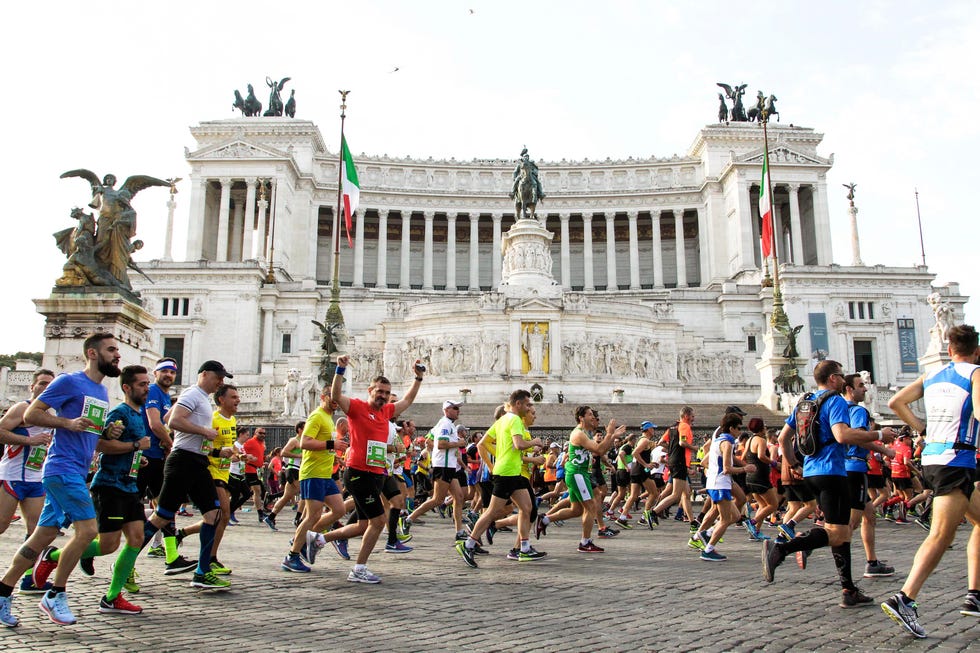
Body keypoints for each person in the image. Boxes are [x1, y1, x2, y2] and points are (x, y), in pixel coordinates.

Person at [0, 333, 121, 627]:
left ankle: (3, 591)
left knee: (42, 536)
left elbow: (88, 433)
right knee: (87, 530)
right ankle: (56, 593)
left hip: (75, 470)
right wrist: (66, 422)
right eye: (111, 349)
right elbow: (32, 412)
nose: (117, 355)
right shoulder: (68, 381)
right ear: (92, 353)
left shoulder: (102, 392)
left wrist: (106, 435)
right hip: (61, 469)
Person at [762, 359, 897, 609]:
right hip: (832, 471)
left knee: (841, 531)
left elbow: (783, 438)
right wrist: (880, 435)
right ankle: (781, 549)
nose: (844, 379)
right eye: (841, 375)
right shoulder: (834, 400)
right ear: (833, 379)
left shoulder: (805, 402)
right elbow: (842, 435)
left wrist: (794, 464)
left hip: (812, 472)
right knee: (837, 532)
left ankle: (848, 589)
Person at [882, 324, 980, 638]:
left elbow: (895, 402)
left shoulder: (934, 375)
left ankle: (975, 595)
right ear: (976, 350)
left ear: (949, 349)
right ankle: (905, 598)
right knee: (940, 535)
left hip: (934, 458)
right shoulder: (976, 373)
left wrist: (921, 428)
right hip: (957, 459)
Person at [317, 354, 423, 583]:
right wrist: (340, 370)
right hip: (358, 472)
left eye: (386, 392)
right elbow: (336, 396)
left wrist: (418, 378)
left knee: (363, 524)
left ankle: (317, 539)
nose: (383, 396)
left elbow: (407, 401)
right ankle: (358, 569)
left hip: (378, 472)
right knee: (377, 522)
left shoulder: (386, 412)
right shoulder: (356, 407)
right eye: (379, 391)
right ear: (370, 390)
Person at [140, 360, 235, 591]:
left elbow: (167, 417)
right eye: (217, 377)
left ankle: (202, 572)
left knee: (214, 514)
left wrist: (215, 449)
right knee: (161, 516)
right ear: (203, 374)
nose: (220, 382)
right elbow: (173, 421)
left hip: (197, 461)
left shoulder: (198, 397)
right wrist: (204, 431)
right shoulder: (194, 394)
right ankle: (127, 557)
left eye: (223, 378)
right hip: (182, 461)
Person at [456, 390, 544, 567]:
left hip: (511, 471)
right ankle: (468, 544)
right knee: (492, 512)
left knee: (527, 508)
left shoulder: (502, 420)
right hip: (506, 473)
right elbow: (519, 444)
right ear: (518, 404)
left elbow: (483, 443)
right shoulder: (516, 420)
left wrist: (497, 458)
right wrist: (534, 442)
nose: (528, 408)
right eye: (527, 404)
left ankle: (524, 548)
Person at [535, 406, 626, 553]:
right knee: (591, 507)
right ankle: (585, 542)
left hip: (579, 474)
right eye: (590, 414)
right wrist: (610, 434)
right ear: (581, 418)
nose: (593, 417)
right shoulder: (579, 434)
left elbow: (599, 448)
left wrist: (612, 436)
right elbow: (599, 450)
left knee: (576, 510)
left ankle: (544, 519)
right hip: (577, 474)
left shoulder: (585, 433)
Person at [0, 369, 55, 595]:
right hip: (11, 476)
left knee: (36, 533)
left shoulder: (52, 414)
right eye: (41, 383)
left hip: (35, 478)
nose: (45, 387)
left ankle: (28, 579)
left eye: (50, 385)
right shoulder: (22, 408)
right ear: (32, 387)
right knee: (1, 525)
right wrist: (29, 440)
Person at [282, 389, 347, 572]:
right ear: (323, 397)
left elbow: (322, 446)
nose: (335, 401)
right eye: (331, 398)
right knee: (312, 516)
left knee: (339, 509)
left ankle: (303, 538)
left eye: (337, 398)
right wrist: (331, 445)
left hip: (325, 474)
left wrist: (333, 455)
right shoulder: (317, 416)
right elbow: (305, 443)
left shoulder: (328, 418)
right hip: (312, 473)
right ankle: (292, 555)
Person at [841, 374, 896, 579]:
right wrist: (884, 449)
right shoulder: (857, 411)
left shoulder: (839, 410)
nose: (865, 389)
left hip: (845, 467)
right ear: (849, 389)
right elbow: (859, 438)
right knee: (851, 523)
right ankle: (805, 543)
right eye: (860, 385)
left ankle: (872, 562)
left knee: (869, 514)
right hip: (855, 466)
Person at [402, 400, 467, 538]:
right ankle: (409, 519)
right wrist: (459, 443)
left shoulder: (446, 424)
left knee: (459, 497)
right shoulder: (445, 424)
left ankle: (459, 531)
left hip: (449, 466)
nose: (458, 411)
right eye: (455, 408)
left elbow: (428, 439)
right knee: (437, 499)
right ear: (447, 410)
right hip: (443, 466)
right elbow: (441, 444)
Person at [698, 413, 756, 561]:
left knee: (736, 516)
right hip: (720, 484)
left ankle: (709, 532)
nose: (739, 431)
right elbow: (727, 468)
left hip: (715, 482)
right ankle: (708, 549)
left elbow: (706, 462)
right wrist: (745, 469)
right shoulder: (727, 443)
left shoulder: (718, 441)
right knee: (725, 519)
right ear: (731, 428)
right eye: (738, 428)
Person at [140, 359, 176, 559]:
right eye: (165, 371)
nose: (168, 375)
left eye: (172, 372)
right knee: (130, 509)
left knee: (165, 506)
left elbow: (165, 426)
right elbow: (155, 424)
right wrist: (171, 445)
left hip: (157, 457)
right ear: (155, 372)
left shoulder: (165, 396)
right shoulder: (153, 391)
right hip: (145, 457)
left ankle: (170, 555)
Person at [651, 407, 699, 529]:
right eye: (692, 416)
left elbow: (660, 442)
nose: (694, 418)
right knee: (676, 495)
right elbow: (682, 443)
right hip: (680, 462)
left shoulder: (673, 427)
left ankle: (692, 521)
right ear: (687, 416)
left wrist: (671, 450)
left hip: (674, 461)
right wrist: (694, 448)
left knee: (686, 494)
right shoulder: (684, 426)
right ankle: (653, 512)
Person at [266, 422, 304, 530]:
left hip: (298, 469)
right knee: (305, 494)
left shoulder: (303, 441)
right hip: (293, 469)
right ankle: (298, 519)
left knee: (286, 497)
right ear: (300, 429)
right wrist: (298, 455)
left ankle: (271, 517)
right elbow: (283, 453)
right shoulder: (294, 440)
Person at [244, 427, 268, 521]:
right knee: (256, 491)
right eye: (260, 433)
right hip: (249, 469)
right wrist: (247, 458)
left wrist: (263, 461)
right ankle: (229, 510)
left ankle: (260, 513)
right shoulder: (250, 442)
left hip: (256, 470)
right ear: (255, 433)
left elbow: (260, 456)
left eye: (264, 433)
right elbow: (240, 451)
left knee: (256, 491)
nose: (262, 435)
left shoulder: (261, 444)